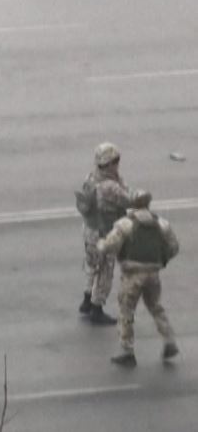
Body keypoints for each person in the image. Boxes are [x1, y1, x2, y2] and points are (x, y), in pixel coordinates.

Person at [100, 189, 180, 366]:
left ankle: (127, 351)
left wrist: (100, 245)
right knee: (156, 308)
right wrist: (161, 259)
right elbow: (173, 248)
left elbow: (110, 246)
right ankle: (169, 341)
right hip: (153, 274)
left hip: (132, 275)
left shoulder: (125, 224)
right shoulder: (161, 224)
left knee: (126, 311)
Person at [77, 142, 129, 325]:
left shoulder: (91, 178)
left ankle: (86, 300)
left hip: (89, 230)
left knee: (92, 267)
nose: (118, 164)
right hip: (103, 234)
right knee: (105, 271)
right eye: (115, 161)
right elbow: (127, 199)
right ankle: (96, 308)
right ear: (109, 163)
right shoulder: (110, 186)